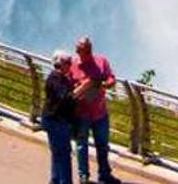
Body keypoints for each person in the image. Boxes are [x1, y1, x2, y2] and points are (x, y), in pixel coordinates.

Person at [72, 36, 122, 184]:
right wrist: (80, 86)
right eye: (80, 49)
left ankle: (104, 174)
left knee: (103, 145)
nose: (82, 52)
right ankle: (83, 176)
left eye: (86, 49)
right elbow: (67, 86)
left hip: (100, 112)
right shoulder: (73, 64)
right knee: (82, 145)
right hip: (81, 113)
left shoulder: (101, 61)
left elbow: (111, 78)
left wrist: (106, 84)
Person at [42, 52, 79, 184]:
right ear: (61, 64)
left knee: (57, 152)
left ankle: (55, 179)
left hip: (56, 120)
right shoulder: (56, 78)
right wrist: (81, 90)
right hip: (56, 121)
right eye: (68, 63)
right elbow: (65, 97)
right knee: (63, 154)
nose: (70, 65)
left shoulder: (60, 78)